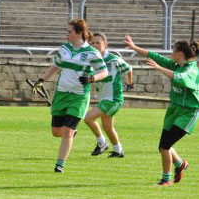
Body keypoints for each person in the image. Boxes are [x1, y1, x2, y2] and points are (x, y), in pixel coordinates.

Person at [33, 19, 108, 173]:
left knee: (67, 131)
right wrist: (42, 80)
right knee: (56, 132)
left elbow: (104, 71)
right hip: (61, 93)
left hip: (79, 96)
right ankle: (72, 133)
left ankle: (60, 164)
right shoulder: (64, 48)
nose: (67, 34)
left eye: (69, 32)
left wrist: (92, 78)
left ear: (79, 33)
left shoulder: (91, 53)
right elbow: (56, 66)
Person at [124, 35, 199, 186]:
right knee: (163, 146)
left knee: (165, 146)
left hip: (188, 112)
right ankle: (180, 164)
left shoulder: (191, 69)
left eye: (173, 51)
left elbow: (181, 78)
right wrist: (135, 48)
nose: (171, 54)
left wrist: (158, 68)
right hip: (174, 110)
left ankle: (166, 179)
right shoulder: (176, 65)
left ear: (180, 53)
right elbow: (155, 56)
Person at [84, 32, 133, 158]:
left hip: (113, 99)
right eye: (93, 43)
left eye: (98, 43)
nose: (95, 45)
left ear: (105, 44)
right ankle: (118, 150)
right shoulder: (93, 60)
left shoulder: (113, 59)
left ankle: (102, 142)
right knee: (107, 127)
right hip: (104, 99)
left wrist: (129, 83)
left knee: (88, 118)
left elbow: (129, 69)